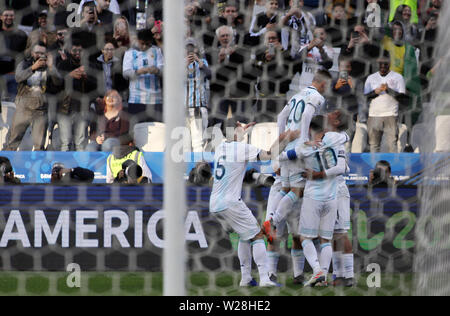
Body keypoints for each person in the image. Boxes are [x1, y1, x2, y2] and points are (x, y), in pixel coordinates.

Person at [210, 119, 299, 287]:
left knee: (245, 236)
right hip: (230, 203)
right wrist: (285, 138)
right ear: (235, 132)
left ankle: (245, 278)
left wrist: (237, 131)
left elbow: (232, 139)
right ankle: (265, 279)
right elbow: (269, 155)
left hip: (215, 204)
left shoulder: (220, 147)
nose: (244, 130)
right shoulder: (241, 148)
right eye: (239, 128)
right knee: (257, 235)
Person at [281, 114, 348, 287]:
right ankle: (323, 277)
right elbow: (346, 136)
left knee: (305, 238)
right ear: (325, 128)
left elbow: (282, 156)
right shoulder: (335, 139)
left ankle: (317, 271)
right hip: (332, 197)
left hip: (313, 197)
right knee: (325, 239)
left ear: (310, 129)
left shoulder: (303, 148)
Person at [265, 70, 332, 240]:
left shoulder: (297, 95)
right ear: (323, 83)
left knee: (285, 188)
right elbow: (307, 114)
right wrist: (303, 140)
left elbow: (281, 117)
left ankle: (271, 218)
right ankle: (273, 221)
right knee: (297, 190)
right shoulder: (317, 97)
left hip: (287, 147)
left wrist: (282, 140)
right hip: (298, 150)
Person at [5, 43, 62, 151]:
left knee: (39, 145)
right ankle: (6, 165)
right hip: (23, 108)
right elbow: (18, 77)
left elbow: (58, 82)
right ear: (32, 53)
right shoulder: (24, 63)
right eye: (37, 53)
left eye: (42, 53)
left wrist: (51, 66)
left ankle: (36, 166)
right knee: (12, 141)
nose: (40, 55)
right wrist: (33, 68)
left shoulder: (49, 67)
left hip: (41, 110)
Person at [56, 39, 98, 151]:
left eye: (80, 50)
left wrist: (86, 77)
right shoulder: (63, 65)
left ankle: (80, 166)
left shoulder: (90, 66)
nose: (77, 53)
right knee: (65, 142)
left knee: (80, 142)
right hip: (64, 108)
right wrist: (69, 76)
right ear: (69, 50)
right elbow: (55, 84)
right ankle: (63, 167)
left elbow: (97, 87)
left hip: (82, 108)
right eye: (75, 50)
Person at [123, 28, 164, 129]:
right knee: (138, 131)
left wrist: (157, 71)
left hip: (155, 99)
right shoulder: (130, 52)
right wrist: (138, 72)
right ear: (137, 40)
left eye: (147, 44)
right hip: (137, 99)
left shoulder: (157, 51)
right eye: (142, 43)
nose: (145, 46)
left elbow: (164, 70)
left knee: (156, 131)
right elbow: (125, 73)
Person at [364, 54, 405, 153]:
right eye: (380, 64)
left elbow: (403, 98)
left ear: (390, 63)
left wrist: (388, 90)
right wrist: (375, 92)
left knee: (392, 144)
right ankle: (375, 167)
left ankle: (393, 167)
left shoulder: (398, 77)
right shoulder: (371, 78)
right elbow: (365, 97)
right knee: (373, 145)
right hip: (374, 115)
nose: (382, 66)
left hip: (391, 115)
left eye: (385, 64)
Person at [185, 38, 211, 152]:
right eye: (187, 47)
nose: (190, 50)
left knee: (199, 142)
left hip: (199, 106)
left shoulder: (203, 62)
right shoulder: (179, 62)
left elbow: (210, 75)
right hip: (184, 107)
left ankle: (198, 167)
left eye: (192, 47)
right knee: (184, 142)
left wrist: (200, 63)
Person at [0, 7, 28, 101]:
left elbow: (24, 56)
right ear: (1, 17)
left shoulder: (21, 35)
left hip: (13, 76)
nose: (9, 17)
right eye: (6, 15)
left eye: (11, 15)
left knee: (10, 107)